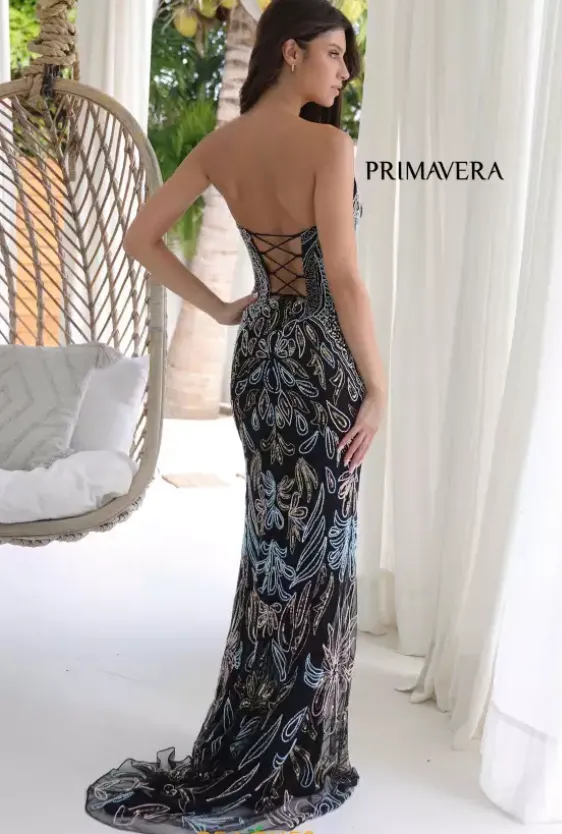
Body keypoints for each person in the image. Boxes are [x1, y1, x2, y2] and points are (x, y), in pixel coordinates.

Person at [85, 0, 386, 831]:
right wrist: (380, 387)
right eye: (334, 54)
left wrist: (223, 309)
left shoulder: (223, 146)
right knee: (321, 558)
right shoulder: (330, 147)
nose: (343, 73)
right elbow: (345, 281)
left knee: (273, 552)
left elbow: (141, 237)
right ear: (289, 52)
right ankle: (295, 756)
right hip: (321, 365)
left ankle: (256, 740)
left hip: (259, 361)